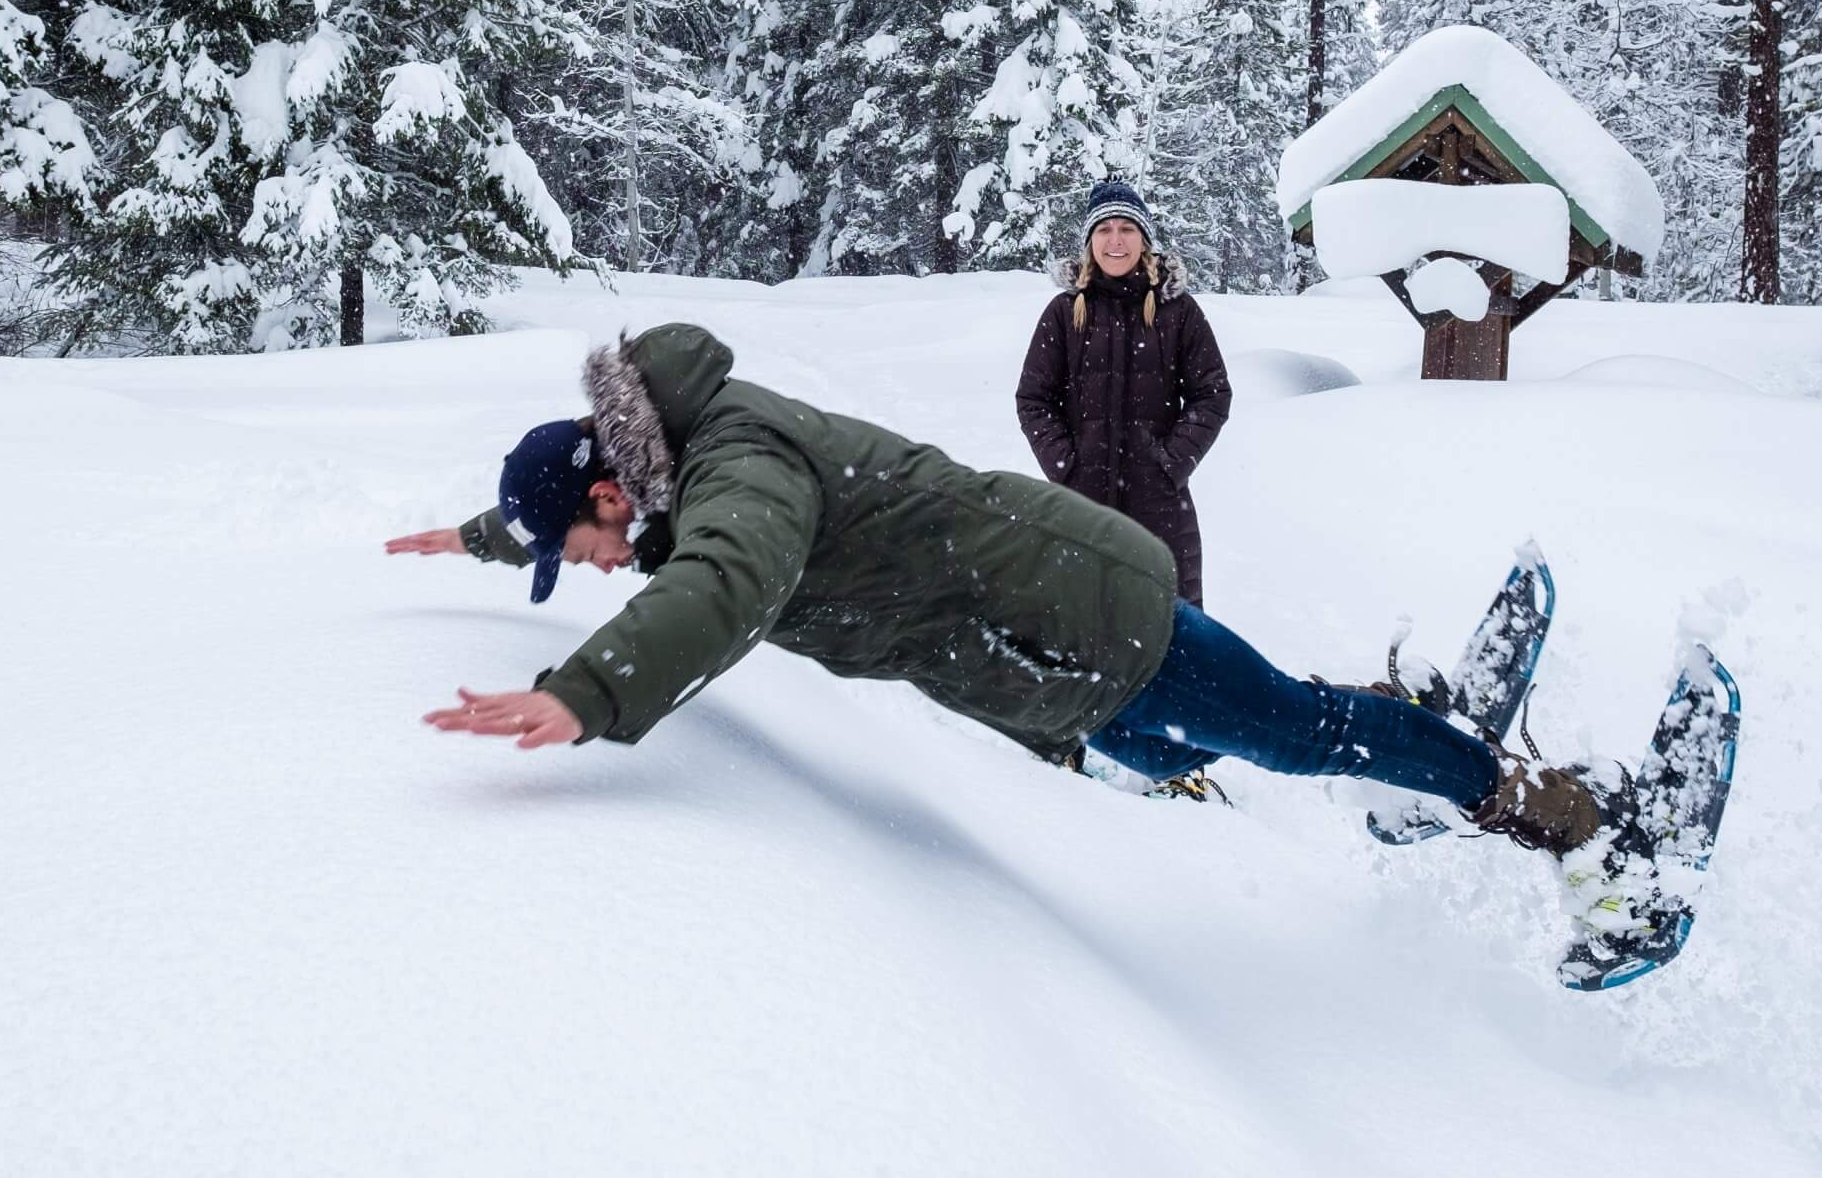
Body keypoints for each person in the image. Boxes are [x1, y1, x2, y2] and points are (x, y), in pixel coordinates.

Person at [390, 322, 1636, 886]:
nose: (600, 568)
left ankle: (1545, 805)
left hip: (1080, 613)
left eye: (584, 548)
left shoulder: (738, 470)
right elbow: (628, 538)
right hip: (1036, 660)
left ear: (617, 485)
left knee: (1292, 737)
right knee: (1181, 745)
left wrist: (585, 693)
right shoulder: (666, 473)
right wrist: (483, 539)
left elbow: (727, 582)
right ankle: (1399, 717)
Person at [1016, 181, 1232, 610]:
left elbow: (1212, 394)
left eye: (1127, 229)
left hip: (1161, 508)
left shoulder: (1178, 312)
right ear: (1090, 241)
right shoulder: (1064, 312)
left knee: (1171, 632)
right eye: (1105, 229)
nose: (1116, 240)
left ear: (1144, 239)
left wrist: (1169, 464)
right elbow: (1033, 399)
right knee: (1080, 628)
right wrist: (1066, 466)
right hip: (1081, 504)